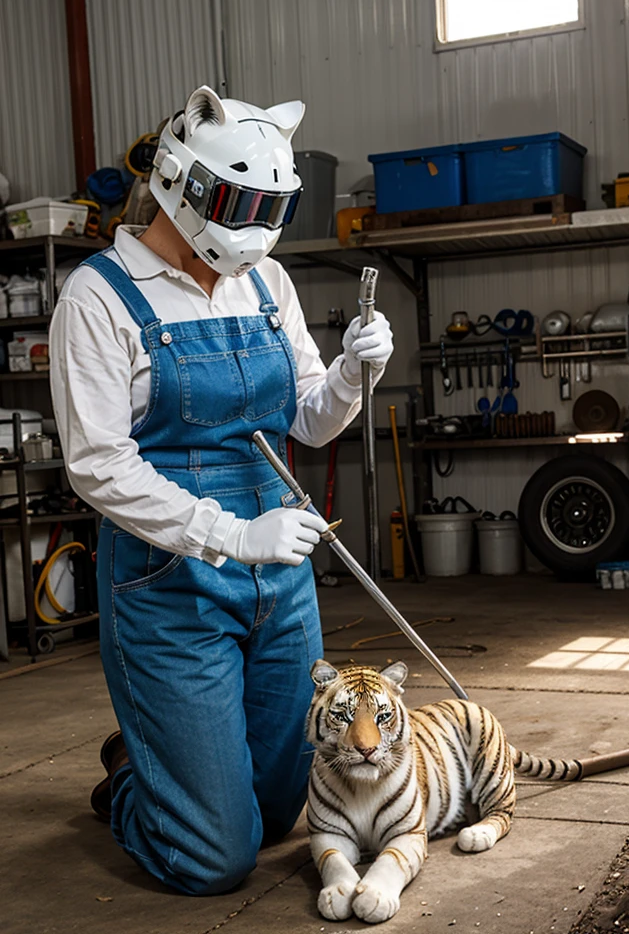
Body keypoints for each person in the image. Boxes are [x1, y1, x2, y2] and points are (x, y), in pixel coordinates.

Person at [50, 86, 393, 895]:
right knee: (215, 858)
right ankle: (139, 782)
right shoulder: (98, 296)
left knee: (280, 818)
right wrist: (232, 535)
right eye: (241, 203)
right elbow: (97, 464)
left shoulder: (268, 283)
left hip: (282, 581)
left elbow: (307, 422)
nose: (257, 229)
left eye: (273, 207)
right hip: (172, 588)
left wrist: (350, 375)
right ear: (180, 181)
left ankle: (169, 762)